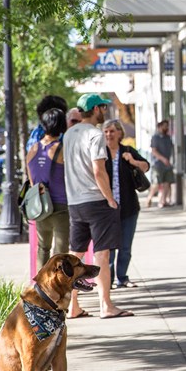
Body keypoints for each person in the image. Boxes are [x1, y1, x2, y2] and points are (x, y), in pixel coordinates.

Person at [63, 93, 132, 320]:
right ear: (95, 109)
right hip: (96, 201)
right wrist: (110, 199)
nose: (104, 110)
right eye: (102, 107)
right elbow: (98, 170)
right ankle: (106, 305)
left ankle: (72, 305)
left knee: (76, 253)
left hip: (75, 202)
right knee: (102, 254)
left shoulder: (69, 134)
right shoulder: (95, 134)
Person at [104, 119, 150, 289]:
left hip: (129, 207)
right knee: (108, 247)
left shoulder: (127, 151)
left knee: (125, 246)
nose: (109, 134)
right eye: (106, 131)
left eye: (112, 131)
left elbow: (146, 166)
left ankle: (122, 278)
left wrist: (133, 161)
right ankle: (107, 280)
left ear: (119, 133)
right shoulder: (100, 153)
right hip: (107, 209)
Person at [24, 107, 70, 267]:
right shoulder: (61, 149)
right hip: (61, 206)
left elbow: (32, 181)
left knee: (43, 248)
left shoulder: (33, 149)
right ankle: (58, 288)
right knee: (61, 253)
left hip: (41, 206)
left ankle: (42, 287)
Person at [149, 120, 175, 208]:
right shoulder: (155, 138)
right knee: (157, 183)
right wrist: (163, 159)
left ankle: (163, 201)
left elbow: (172, 149)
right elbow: (154, 151)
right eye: (164, 126)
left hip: (167, 164)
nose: (166, 128)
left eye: (167, 126)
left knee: (167, 182)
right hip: (158, 164)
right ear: (159, 127)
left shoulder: (168, 138)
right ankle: (150, 197)